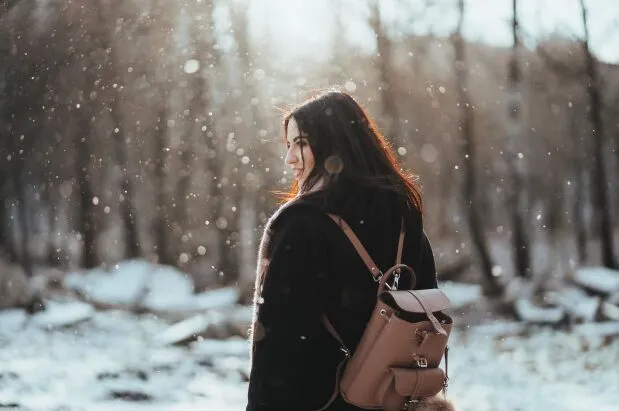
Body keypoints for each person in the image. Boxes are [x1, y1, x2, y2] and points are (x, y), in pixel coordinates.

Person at [246, 90, 439, 411]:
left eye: (302, 143)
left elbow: (279, 347)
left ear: (335, 145)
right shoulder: (403, 217)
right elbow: (426, 312)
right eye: (289, 144)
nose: (290, 158)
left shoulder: (301, 224)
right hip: (392, 398)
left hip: (322, 400)